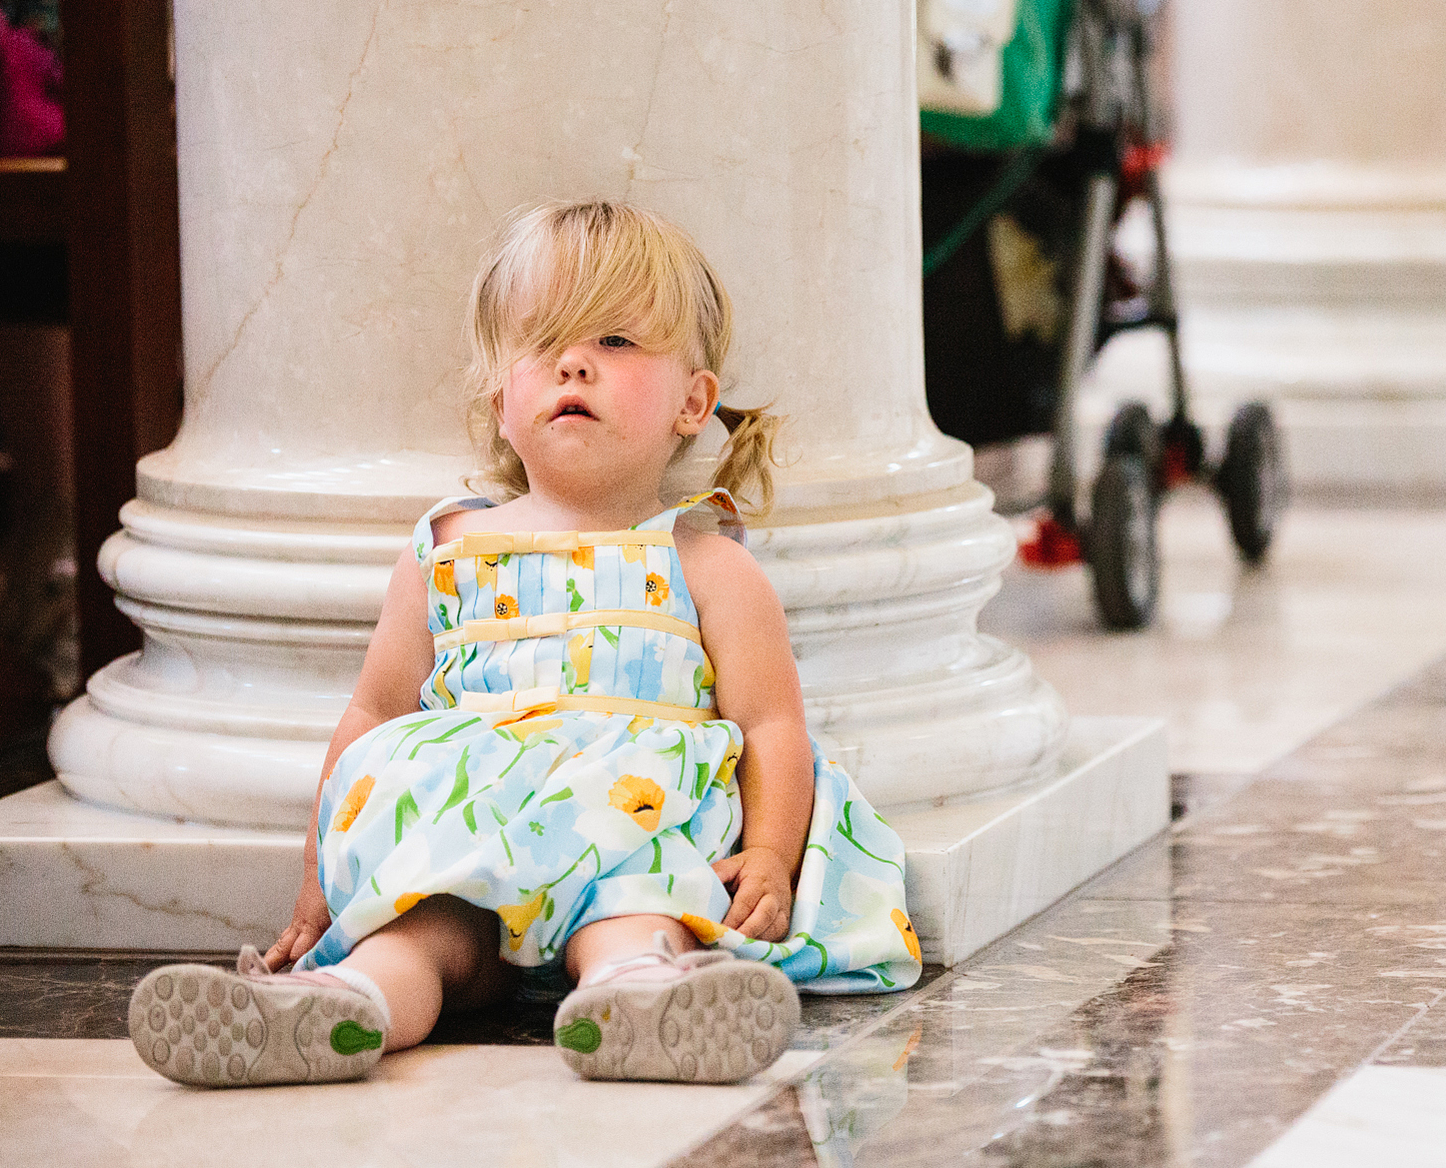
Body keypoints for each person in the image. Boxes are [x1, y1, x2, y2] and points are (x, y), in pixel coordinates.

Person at [128, 201, 923, 1089]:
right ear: (500, 398)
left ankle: (634, 998)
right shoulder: (449, 548)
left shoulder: (704, 561)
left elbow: (772, 726)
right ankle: (343, 1009)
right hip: (467, 836)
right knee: (423, 930)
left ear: (692, 403)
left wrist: (770, 853)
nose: (574, 361)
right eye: (545, 343)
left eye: (617, 341)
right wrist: (321, 882)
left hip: (627, 838)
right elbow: (377, 712)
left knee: (633, 914)